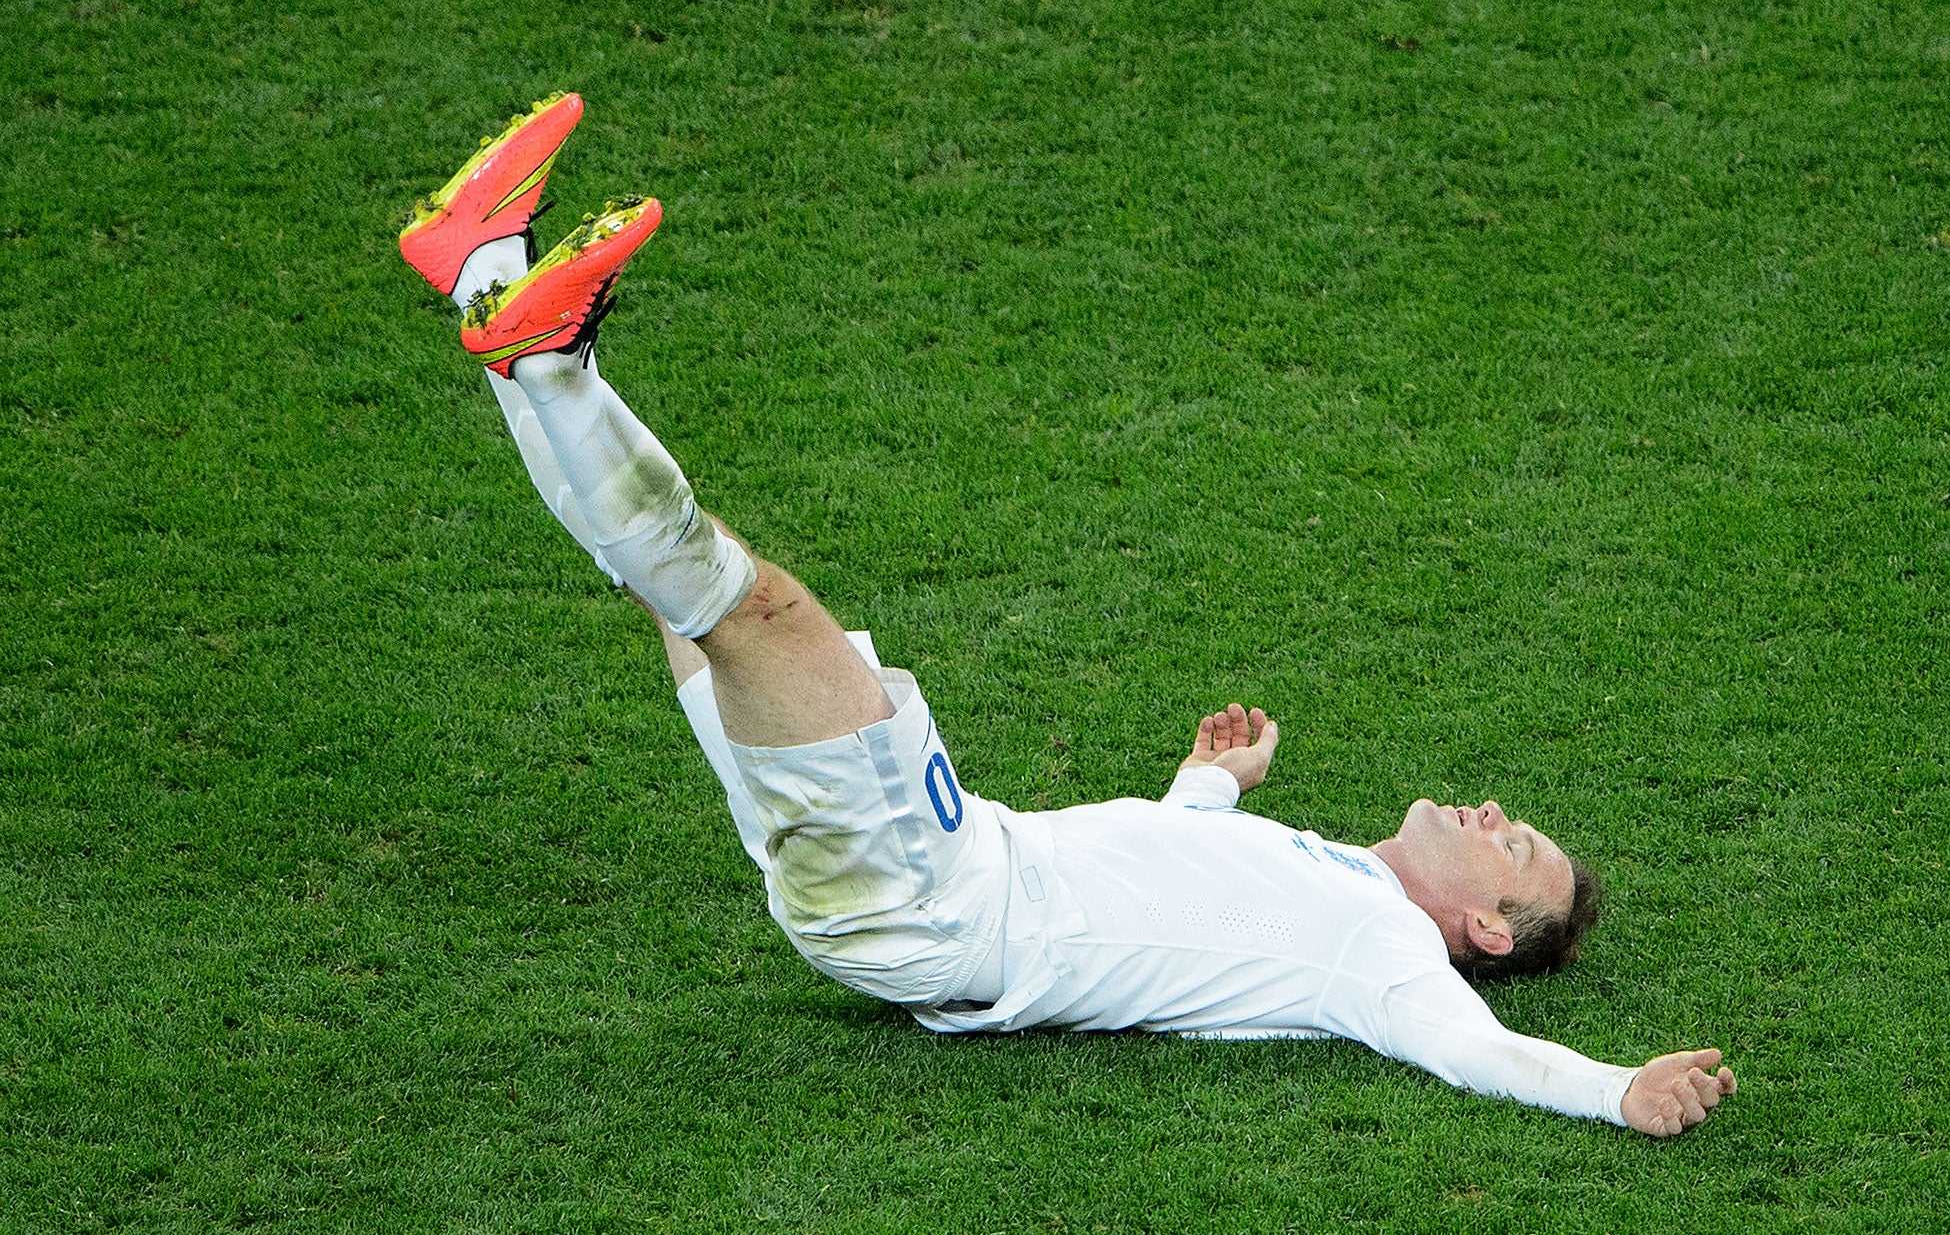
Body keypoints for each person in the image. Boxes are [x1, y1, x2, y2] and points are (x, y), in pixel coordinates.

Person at [399, 97, 1738, 1139]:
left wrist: (1620, 1089)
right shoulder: (1334, 881)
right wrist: (1211, 785)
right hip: (940, 883)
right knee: (689, 613)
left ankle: (542, 349)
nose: (1499, 813)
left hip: (938, 903)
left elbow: (1484, 1055)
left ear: (1488, 933)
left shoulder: (1386, 960)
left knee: (763, 615)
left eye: (1518, 853)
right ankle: (490, 280)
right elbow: (1171, 894)